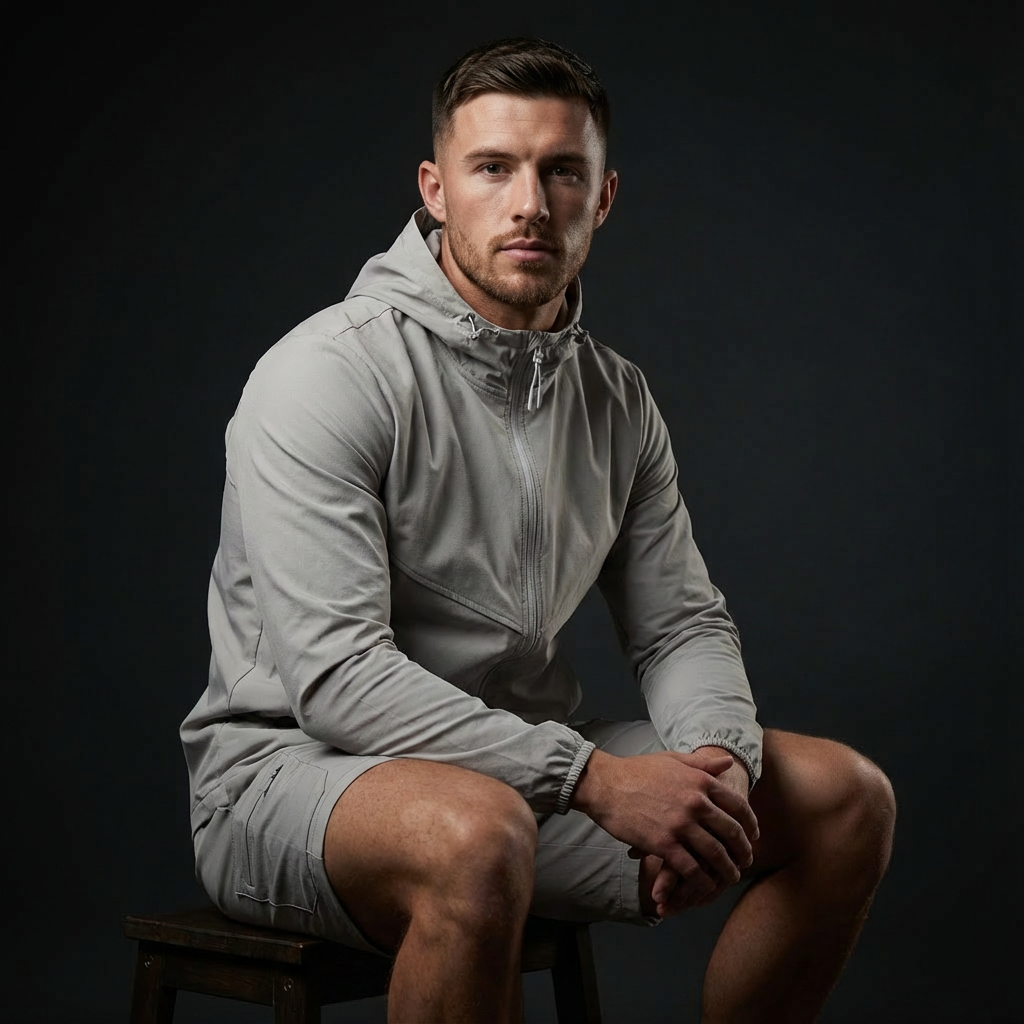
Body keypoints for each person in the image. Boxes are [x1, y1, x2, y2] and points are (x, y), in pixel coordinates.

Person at [180, 37, 896, 1024]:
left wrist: (715, 775)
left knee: (843, 799)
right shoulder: (325, 374)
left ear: (601, 198)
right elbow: (337, 680)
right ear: (435, 188)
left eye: (562, 171)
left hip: (524, 771)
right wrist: (594, 778)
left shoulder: (615, 398)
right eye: (492, 168)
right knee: (478, 836)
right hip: (289, 776)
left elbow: (679, 623)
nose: (529, 203)